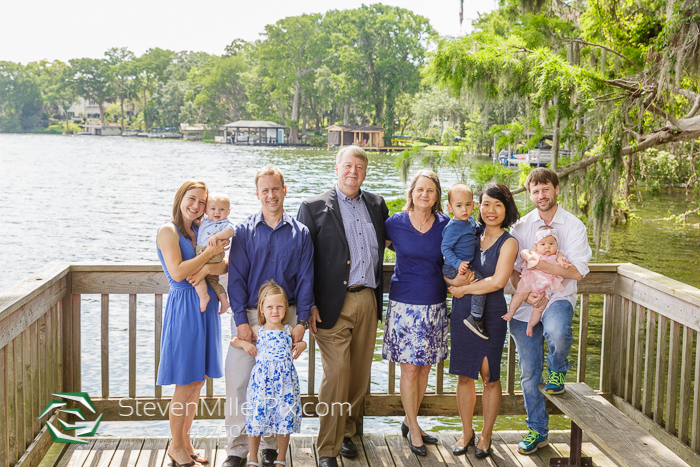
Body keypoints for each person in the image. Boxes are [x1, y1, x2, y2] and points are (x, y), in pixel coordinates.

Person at [297, 146, 388, 467]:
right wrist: (306, 305)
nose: (353, 171)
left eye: (360, 166)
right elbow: (302, 262)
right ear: (337, 168)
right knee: (336, 376)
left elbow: (400, 237)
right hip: (330, 305)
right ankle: (327, 449)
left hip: (368, 300)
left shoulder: (377, 205)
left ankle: (349, 432)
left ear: (365, 172)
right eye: (347, 165)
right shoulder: (312, 207)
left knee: (359, 377)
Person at [223, 167, 314, 467]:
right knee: (239, 381)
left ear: (284, 190)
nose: (271, 195)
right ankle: (237, 450)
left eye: (275, 189)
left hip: (285, 315)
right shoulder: (245, 231)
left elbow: (305, 280)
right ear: (257, 193)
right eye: (265, 190)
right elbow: (235, 278)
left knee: (279, 382)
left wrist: (300, 323)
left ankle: (271, 448)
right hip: (250, 314)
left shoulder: (300, 233)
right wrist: (240, 321)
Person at [508, 168, 592, 455]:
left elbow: (578, 272)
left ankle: (558, 371)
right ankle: (537, 431)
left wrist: (543, 265)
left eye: (546, 189)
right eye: (535, 191)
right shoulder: (520, 227)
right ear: (530, 194)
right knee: (529, 373)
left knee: (557, 332)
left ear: (556, 189)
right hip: (527, 305)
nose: (541, 195)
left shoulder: (573, 225)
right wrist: (528, 295)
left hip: (559, 297)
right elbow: (514, 271)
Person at [156, 181, 227, 467]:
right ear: (180, 198)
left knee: (197, 381)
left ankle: (186, 441)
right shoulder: (168, 231)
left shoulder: (200, 230)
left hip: (205, 307)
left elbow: (224, 264)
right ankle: (175, 445)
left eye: (202, 201)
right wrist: (208, 256)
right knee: (185, 383)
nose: (196, 205)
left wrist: (209, 264)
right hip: (184, 307)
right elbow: (177, 271)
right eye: (192, 198)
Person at [447, 183, 520, 459]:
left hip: (491, 315)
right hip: (463, 312)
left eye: (498, 205)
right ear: (479, 206)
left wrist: (464, 288)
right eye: (486, 204)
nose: (491, 210)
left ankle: (486, 434)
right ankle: (467, 432)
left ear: (506, 209)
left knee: (489, 376)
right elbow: (448, 262)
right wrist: (453, 282)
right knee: (465, 374)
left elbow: (498, 281)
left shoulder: (509, 242)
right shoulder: (470, 233)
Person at [381, 170, 449, 456]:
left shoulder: (446, 225)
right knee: (409, 368)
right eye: (419, 189)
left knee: (424, 367)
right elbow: (376, 250)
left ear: (436, 197)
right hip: (404, 304)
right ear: (411, 193)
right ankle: (413, 429)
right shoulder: (394, 224)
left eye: (430, 191)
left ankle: (411, 423)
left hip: (434, 303)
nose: (424, 195)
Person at [231, 281, 306, 467]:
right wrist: (245, 344)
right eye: (270, 307)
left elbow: (302, 343)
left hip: (285, 384)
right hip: (261, 383)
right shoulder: (258, 331)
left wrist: (302, 345)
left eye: (280, 306)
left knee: (284, 419)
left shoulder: (289, 330)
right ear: (262, 309)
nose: (275, 311)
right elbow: (234, 341)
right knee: (256, 420)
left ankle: (281, 459)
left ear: (286, 308)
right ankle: (253, 459)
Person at [502, 225, 570, 336]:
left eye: (551, 244)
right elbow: (523, 252)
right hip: (530, 280)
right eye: (543, 244)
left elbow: (562, 260)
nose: (547, 247)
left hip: (546, 286)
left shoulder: (558, 254)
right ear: (536, 245)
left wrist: (563, 261)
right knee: (519, 294)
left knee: (539, 308)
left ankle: (531, 325)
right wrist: (528, 257)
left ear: (556, 244)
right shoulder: (535, 251)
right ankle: (511, 312)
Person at [440, 183, 488, 339]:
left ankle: (452, 315)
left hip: (465, 264)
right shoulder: (453, 227)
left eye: (468, 205)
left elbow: (476, 231)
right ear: (450, 207)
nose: (464, 209)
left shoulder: (470, 221)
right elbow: (445, 249)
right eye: (459, 205)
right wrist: (457, 263)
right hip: (453, 267)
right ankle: (476, 317)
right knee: (480, 283)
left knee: (471, 284)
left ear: (473, 205)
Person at [194, 193, 235, 313]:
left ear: (228, 211)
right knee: (213, 281)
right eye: (213, 209)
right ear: (206, 211)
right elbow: (195, 223)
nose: (217, 212)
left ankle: (203, 296)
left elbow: (231, 231)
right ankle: (224, 301)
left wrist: (217, 236)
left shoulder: (225, 224)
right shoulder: (205, 221)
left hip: (212, 254)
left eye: (222, 209)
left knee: (193, 271)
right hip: (205, 253)